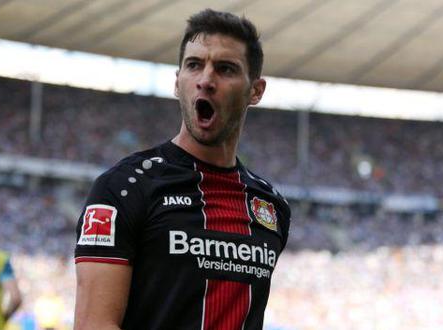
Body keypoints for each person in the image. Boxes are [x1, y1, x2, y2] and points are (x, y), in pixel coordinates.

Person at [74, 8, 291, 330]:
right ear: (178, 83)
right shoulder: (124, 187)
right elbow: (94, 324)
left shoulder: (270, 207)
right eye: (194, 65)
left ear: (255, 91)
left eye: (225, 69)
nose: (205, 80)